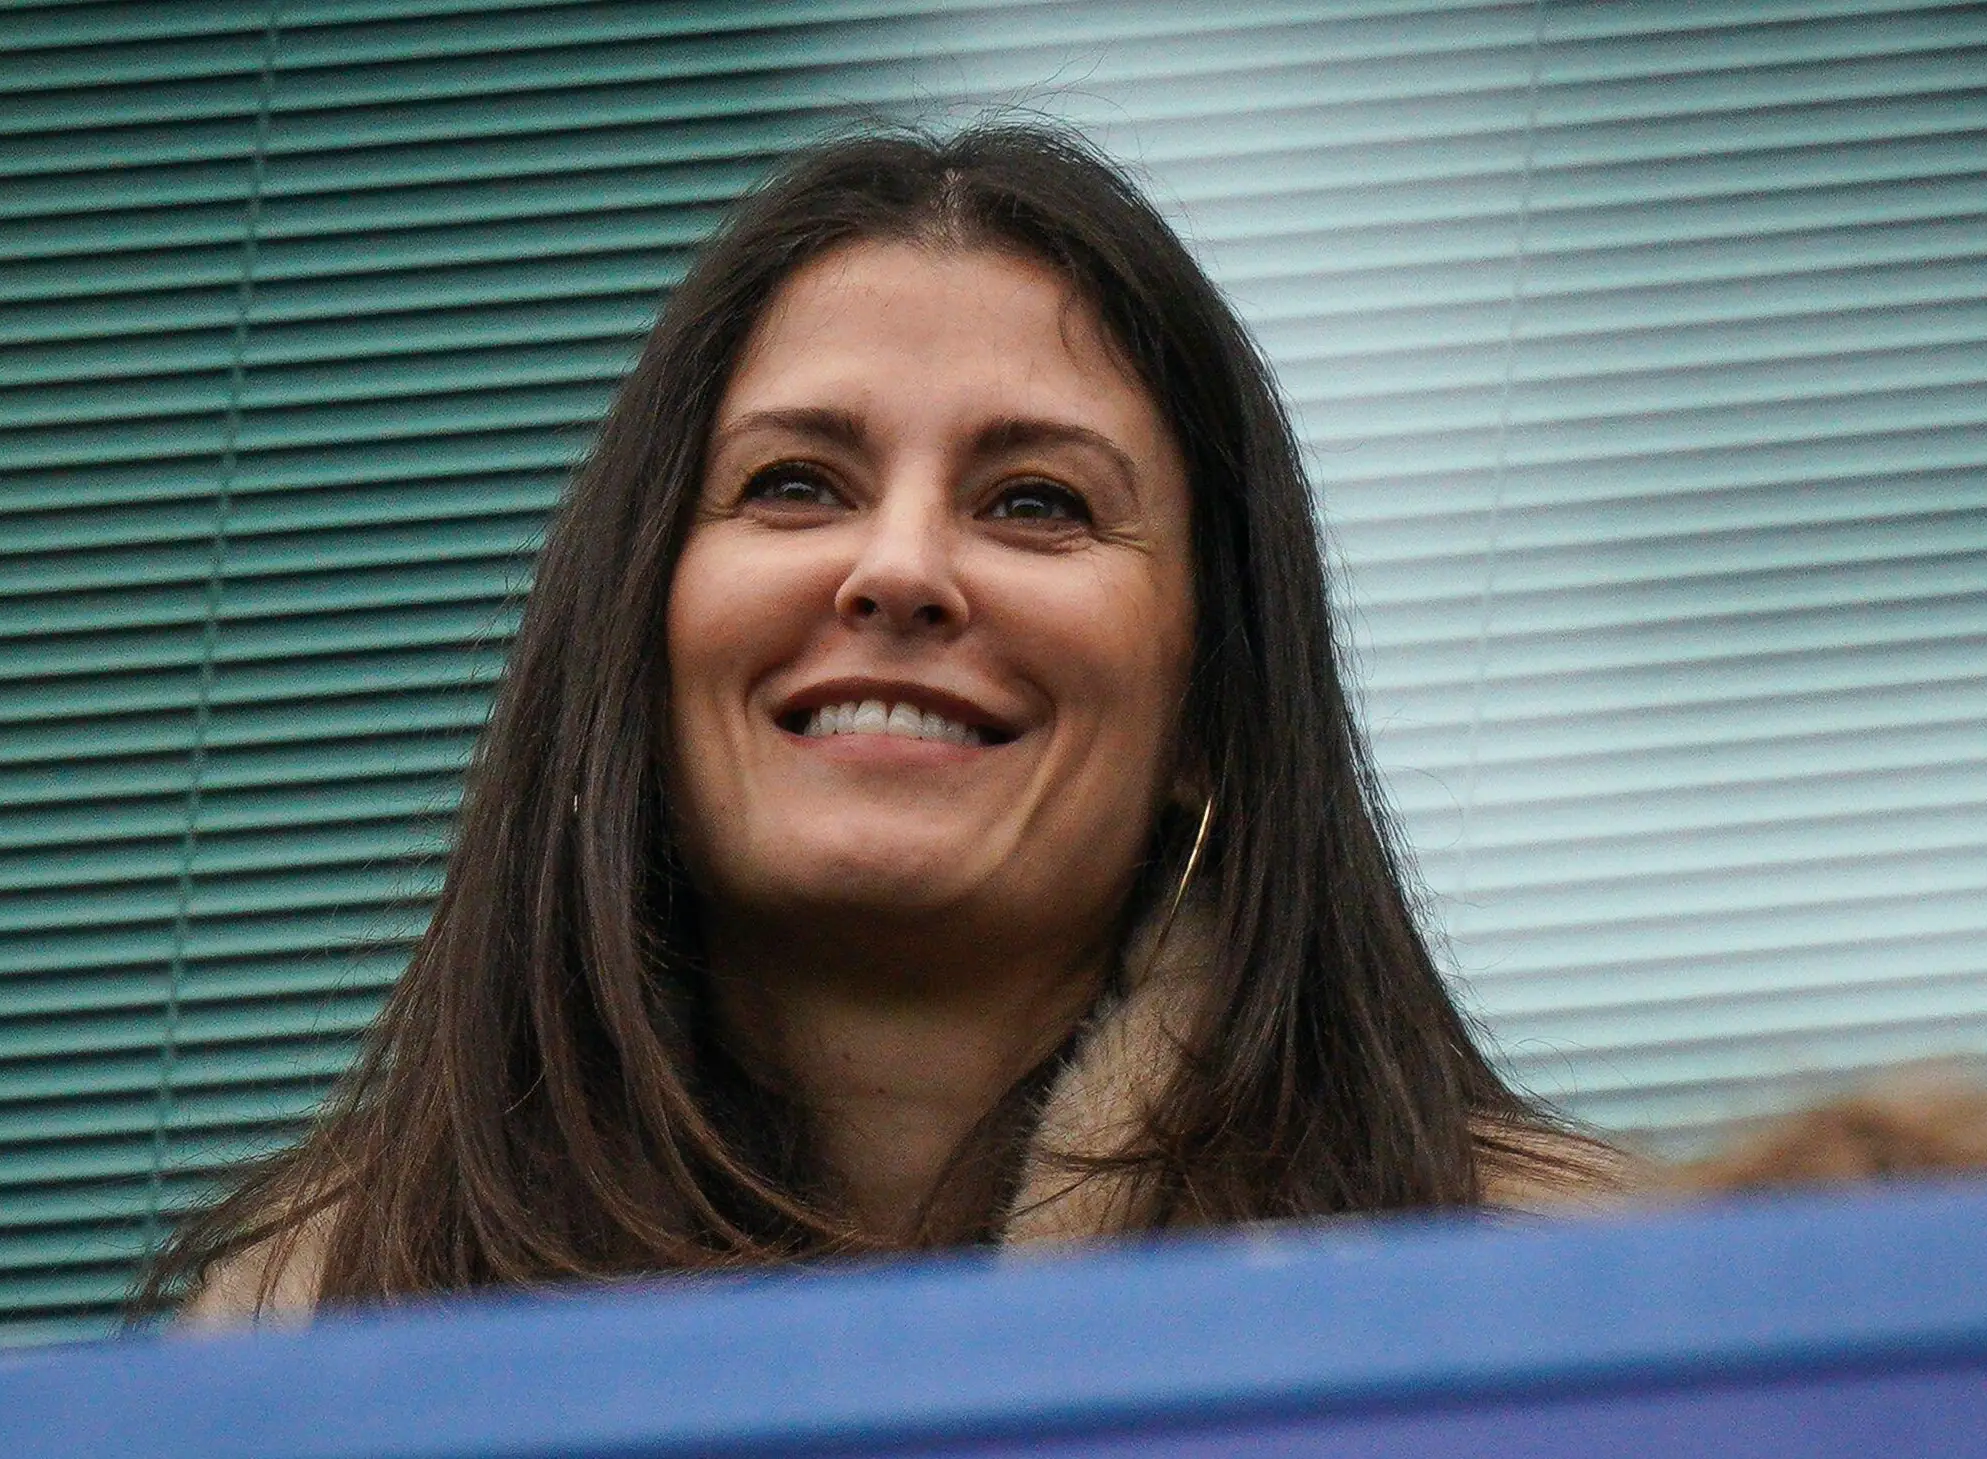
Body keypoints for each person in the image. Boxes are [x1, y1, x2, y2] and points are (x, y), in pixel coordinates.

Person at [143, 123, 1623, 1326]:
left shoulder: (1589, 1300)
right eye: (796, 483)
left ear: (1208, 716)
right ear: (636, 655)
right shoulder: (306, 1329)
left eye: (1035, 503)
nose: (901, 568)